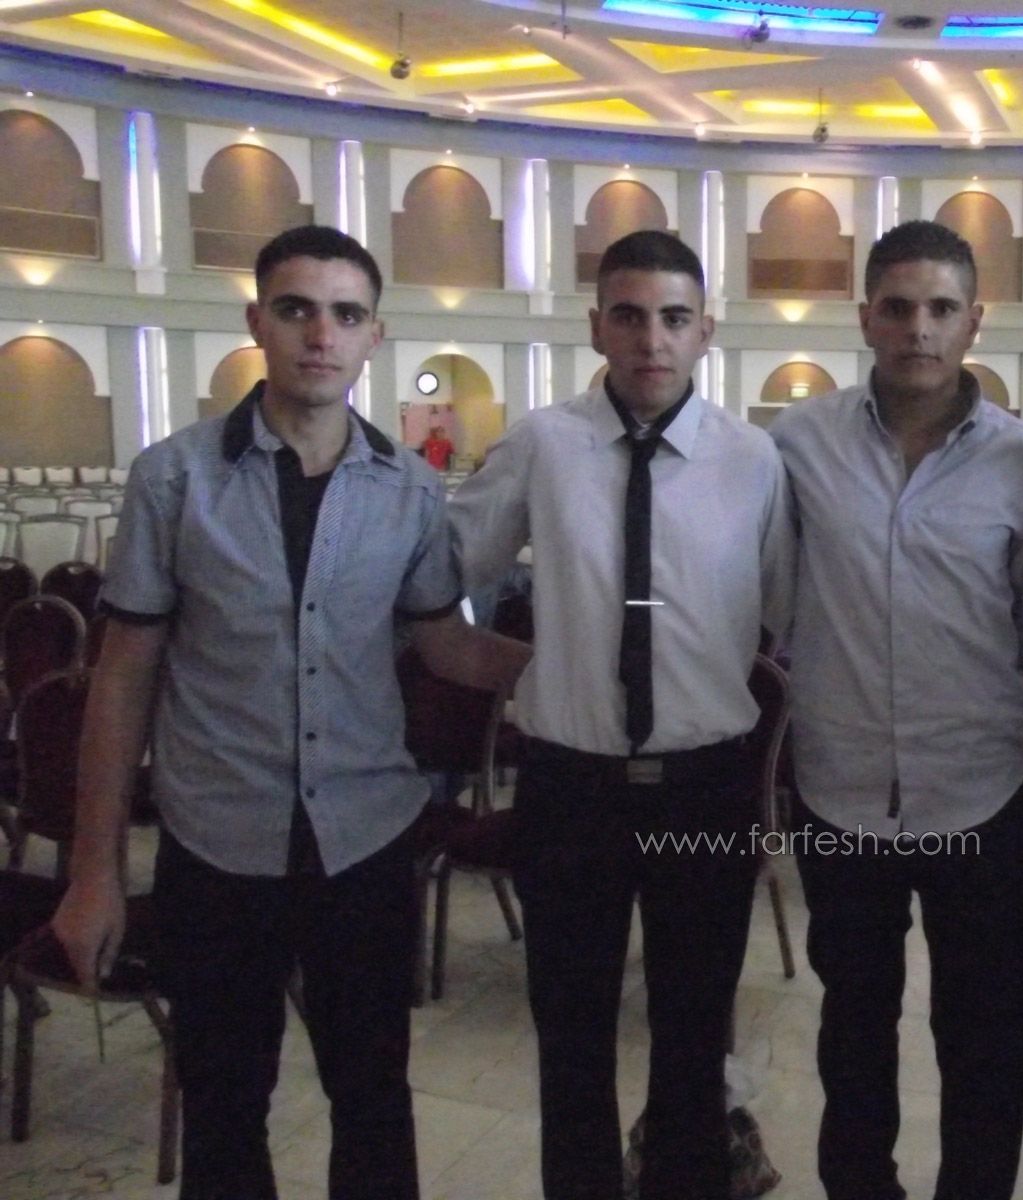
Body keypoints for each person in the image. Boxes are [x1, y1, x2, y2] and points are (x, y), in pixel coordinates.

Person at [49, 224, 529, 1200]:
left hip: (366, 843)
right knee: (225, 1110)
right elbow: (123, 680)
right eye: (297, 309)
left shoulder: (408, 488)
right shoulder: (175, 477)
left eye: (346, 314)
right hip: (217, 845)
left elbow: (446, 644)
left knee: (375, 1102)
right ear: (257, 321)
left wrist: (583, 674)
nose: (321, 334)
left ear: (372, 336)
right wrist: (94, 874)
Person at [449, 229, 793, 1200]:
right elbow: (447, 567)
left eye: (674, 318)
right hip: (572, 790)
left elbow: (780, 611)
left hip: (705, 786)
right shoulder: (542, 446)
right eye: (631, 317)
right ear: (596, 326)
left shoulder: (752, 460)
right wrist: (511, 662)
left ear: (705, 332)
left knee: (693, 1041)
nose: (652, 339)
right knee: (571, 1042)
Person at [769, 220, 1023, 1200]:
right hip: (841, 794)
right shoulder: (799, 445)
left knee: (988, 1040)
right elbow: (768, 604)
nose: (919, 329)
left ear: (975, 320)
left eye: (941, 308)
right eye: (897, 308)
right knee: (853, 1032)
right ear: (864, 317)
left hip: (978, 796)